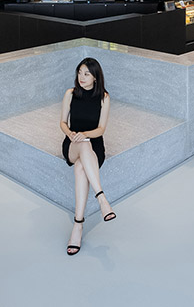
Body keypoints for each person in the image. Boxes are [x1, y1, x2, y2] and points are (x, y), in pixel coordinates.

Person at [59, 57, 116, 256]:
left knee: (80, 167)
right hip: (72, 143)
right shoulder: (70, 94)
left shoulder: (104, 98)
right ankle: (101, 198)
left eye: (87, 74)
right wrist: (72, 134)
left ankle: (78, 225)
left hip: (94, 145)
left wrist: (85, 135)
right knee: (81, 150)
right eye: (79, 72)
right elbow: (63, 123)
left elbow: (101, 129)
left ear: (95, 78)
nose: (81, 77)